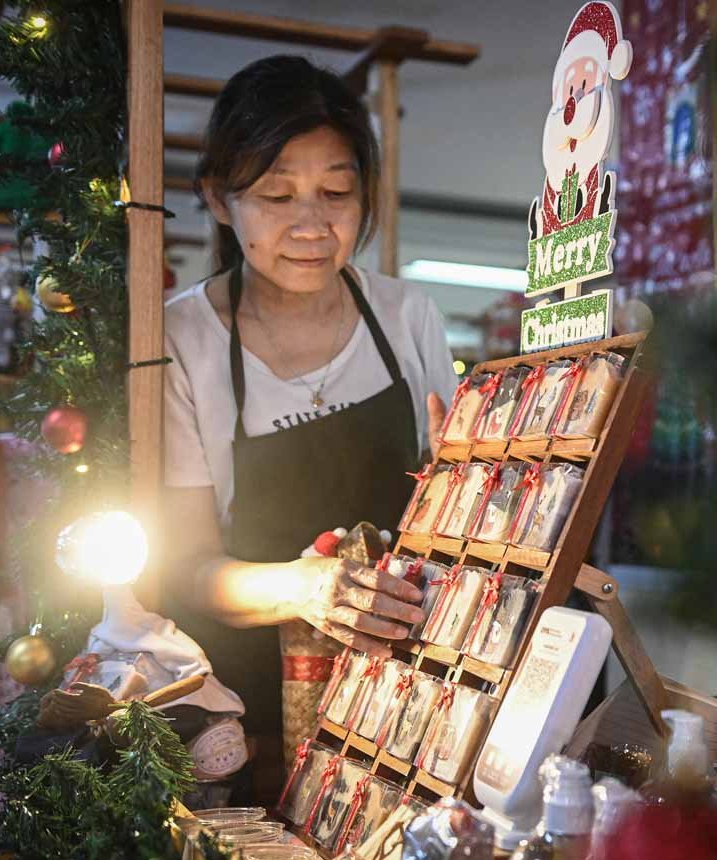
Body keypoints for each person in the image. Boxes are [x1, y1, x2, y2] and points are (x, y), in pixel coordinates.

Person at [161, 56, 458, 755]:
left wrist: (462, 485)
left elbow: (447, 517)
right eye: (276, 195)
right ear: (216, 197)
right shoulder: (183, 339)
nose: (311, 225)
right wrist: (303, 587)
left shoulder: (406, 315)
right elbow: (187, 568)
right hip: (253, 716)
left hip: (405, 700)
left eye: (336, 193)